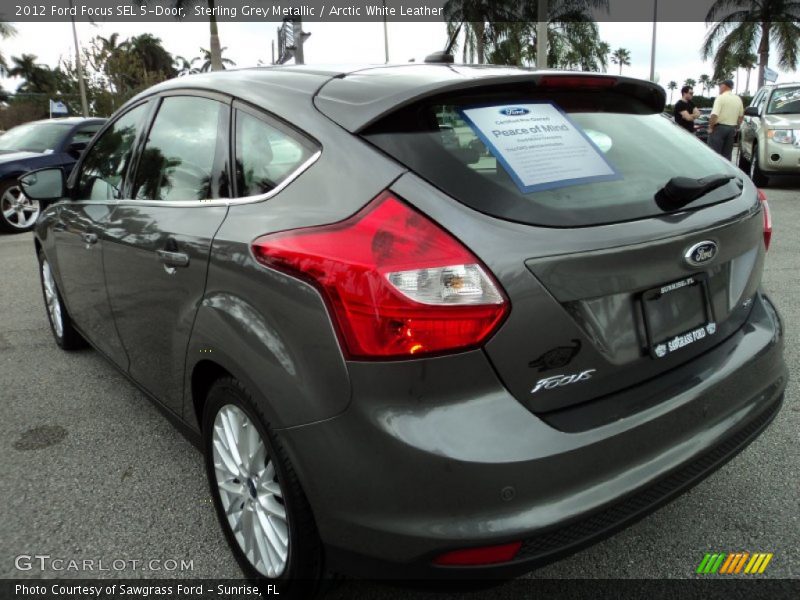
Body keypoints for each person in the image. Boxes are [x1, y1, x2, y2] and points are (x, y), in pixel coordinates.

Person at [708, 79, 744, 160]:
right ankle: (726, 172)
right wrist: (736, 128)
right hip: (731, 129)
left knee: (714, 155)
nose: (719, 88)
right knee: (727, 156)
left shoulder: (720, 98)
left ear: (724, 86)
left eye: (720, 86)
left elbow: (714, 115)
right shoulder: (738, 99)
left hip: (719, 129)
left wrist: (710, 127)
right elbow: (741, 116)